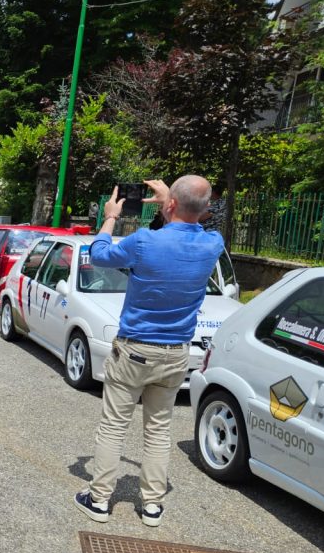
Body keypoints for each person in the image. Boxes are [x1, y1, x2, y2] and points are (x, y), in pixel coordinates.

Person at [74, 176, 224, 527]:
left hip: (135, 349)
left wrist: (110, 217)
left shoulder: (143, 242)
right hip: (176, 353)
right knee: (158, 429)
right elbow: (197, 220)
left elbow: (98, 255)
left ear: (171, 203)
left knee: (114, 426)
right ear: (203, 210)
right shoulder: (212, 244)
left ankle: (99, 499)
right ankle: (152, 505)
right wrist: (172, 203)